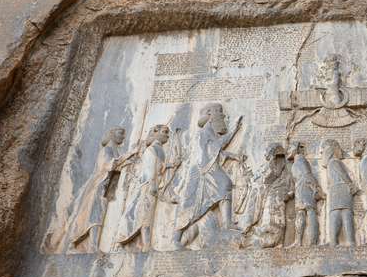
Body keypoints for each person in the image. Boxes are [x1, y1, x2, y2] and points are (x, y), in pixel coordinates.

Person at [169, 103, 243, 250]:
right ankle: (175, 241)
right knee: (190, 205)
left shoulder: (210, 132)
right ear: (209, 113)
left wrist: (233, 156)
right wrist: (234, 129)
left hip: (207, 168)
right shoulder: (206, 130)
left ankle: (227, 222)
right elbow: (215, 149)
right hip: (202, 171)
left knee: (224, 186)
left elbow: (215, 151)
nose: (223, 115)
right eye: (218, 111)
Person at [67, 126, 137, 253]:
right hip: (97, 186)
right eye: (120, 133)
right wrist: (129, 155)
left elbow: (115, 167)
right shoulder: (107, 150)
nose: (123, 136)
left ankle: (93, 245)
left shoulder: (114, 151)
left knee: (98, 214)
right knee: (91, 214)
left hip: (106, 187)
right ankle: (77, 244)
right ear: (111, 134)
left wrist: (126, 163)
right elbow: (107, 166)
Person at [114, 125, 178, 252]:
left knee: (147, 215)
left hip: (152, 184)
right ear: (155, 132)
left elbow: (159, 166)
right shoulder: (152, 149)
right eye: (164, 132)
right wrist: (152, 184)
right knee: (137, 214)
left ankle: (146, 244)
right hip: (147, 185)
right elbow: (149, 169)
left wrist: (171, 165)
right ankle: (120, 244)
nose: (167, 135)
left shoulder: (158, 149)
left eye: (168, 132)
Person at [241, 143, 293, 248]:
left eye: (267, 151)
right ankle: (252, 226)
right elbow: (262, 177)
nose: (265, 154)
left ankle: (253, 227)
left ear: (273, 152)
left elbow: (269, 176)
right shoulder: (272, 164)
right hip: (271, 194)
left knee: (272, 224)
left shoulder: (279, 163)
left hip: (276, 195)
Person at [286, 142, 323, 247]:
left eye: (290, 149)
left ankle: (308, 241)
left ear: (296, 149)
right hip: (301, 188)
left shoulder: (301, 160)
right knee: (306, 212)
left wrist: (317, 187)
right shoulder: (298, 161)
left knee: (308, 212)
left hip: (305, 186)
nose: (287, 151)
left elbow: (308, 175)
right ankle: (303, 241)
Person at [321, 139, 358, 246]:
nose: (321, 152)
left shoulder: (333, 161)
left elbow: (343, 174)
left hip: (341, 188)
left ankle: (348, 240)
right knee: (336, 213)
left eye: (323, 149)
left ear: (330, 150)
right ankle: (335, 240)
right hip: (336, 189)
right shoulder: (332, 162)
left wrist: (351, 185)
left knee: (344, 212)